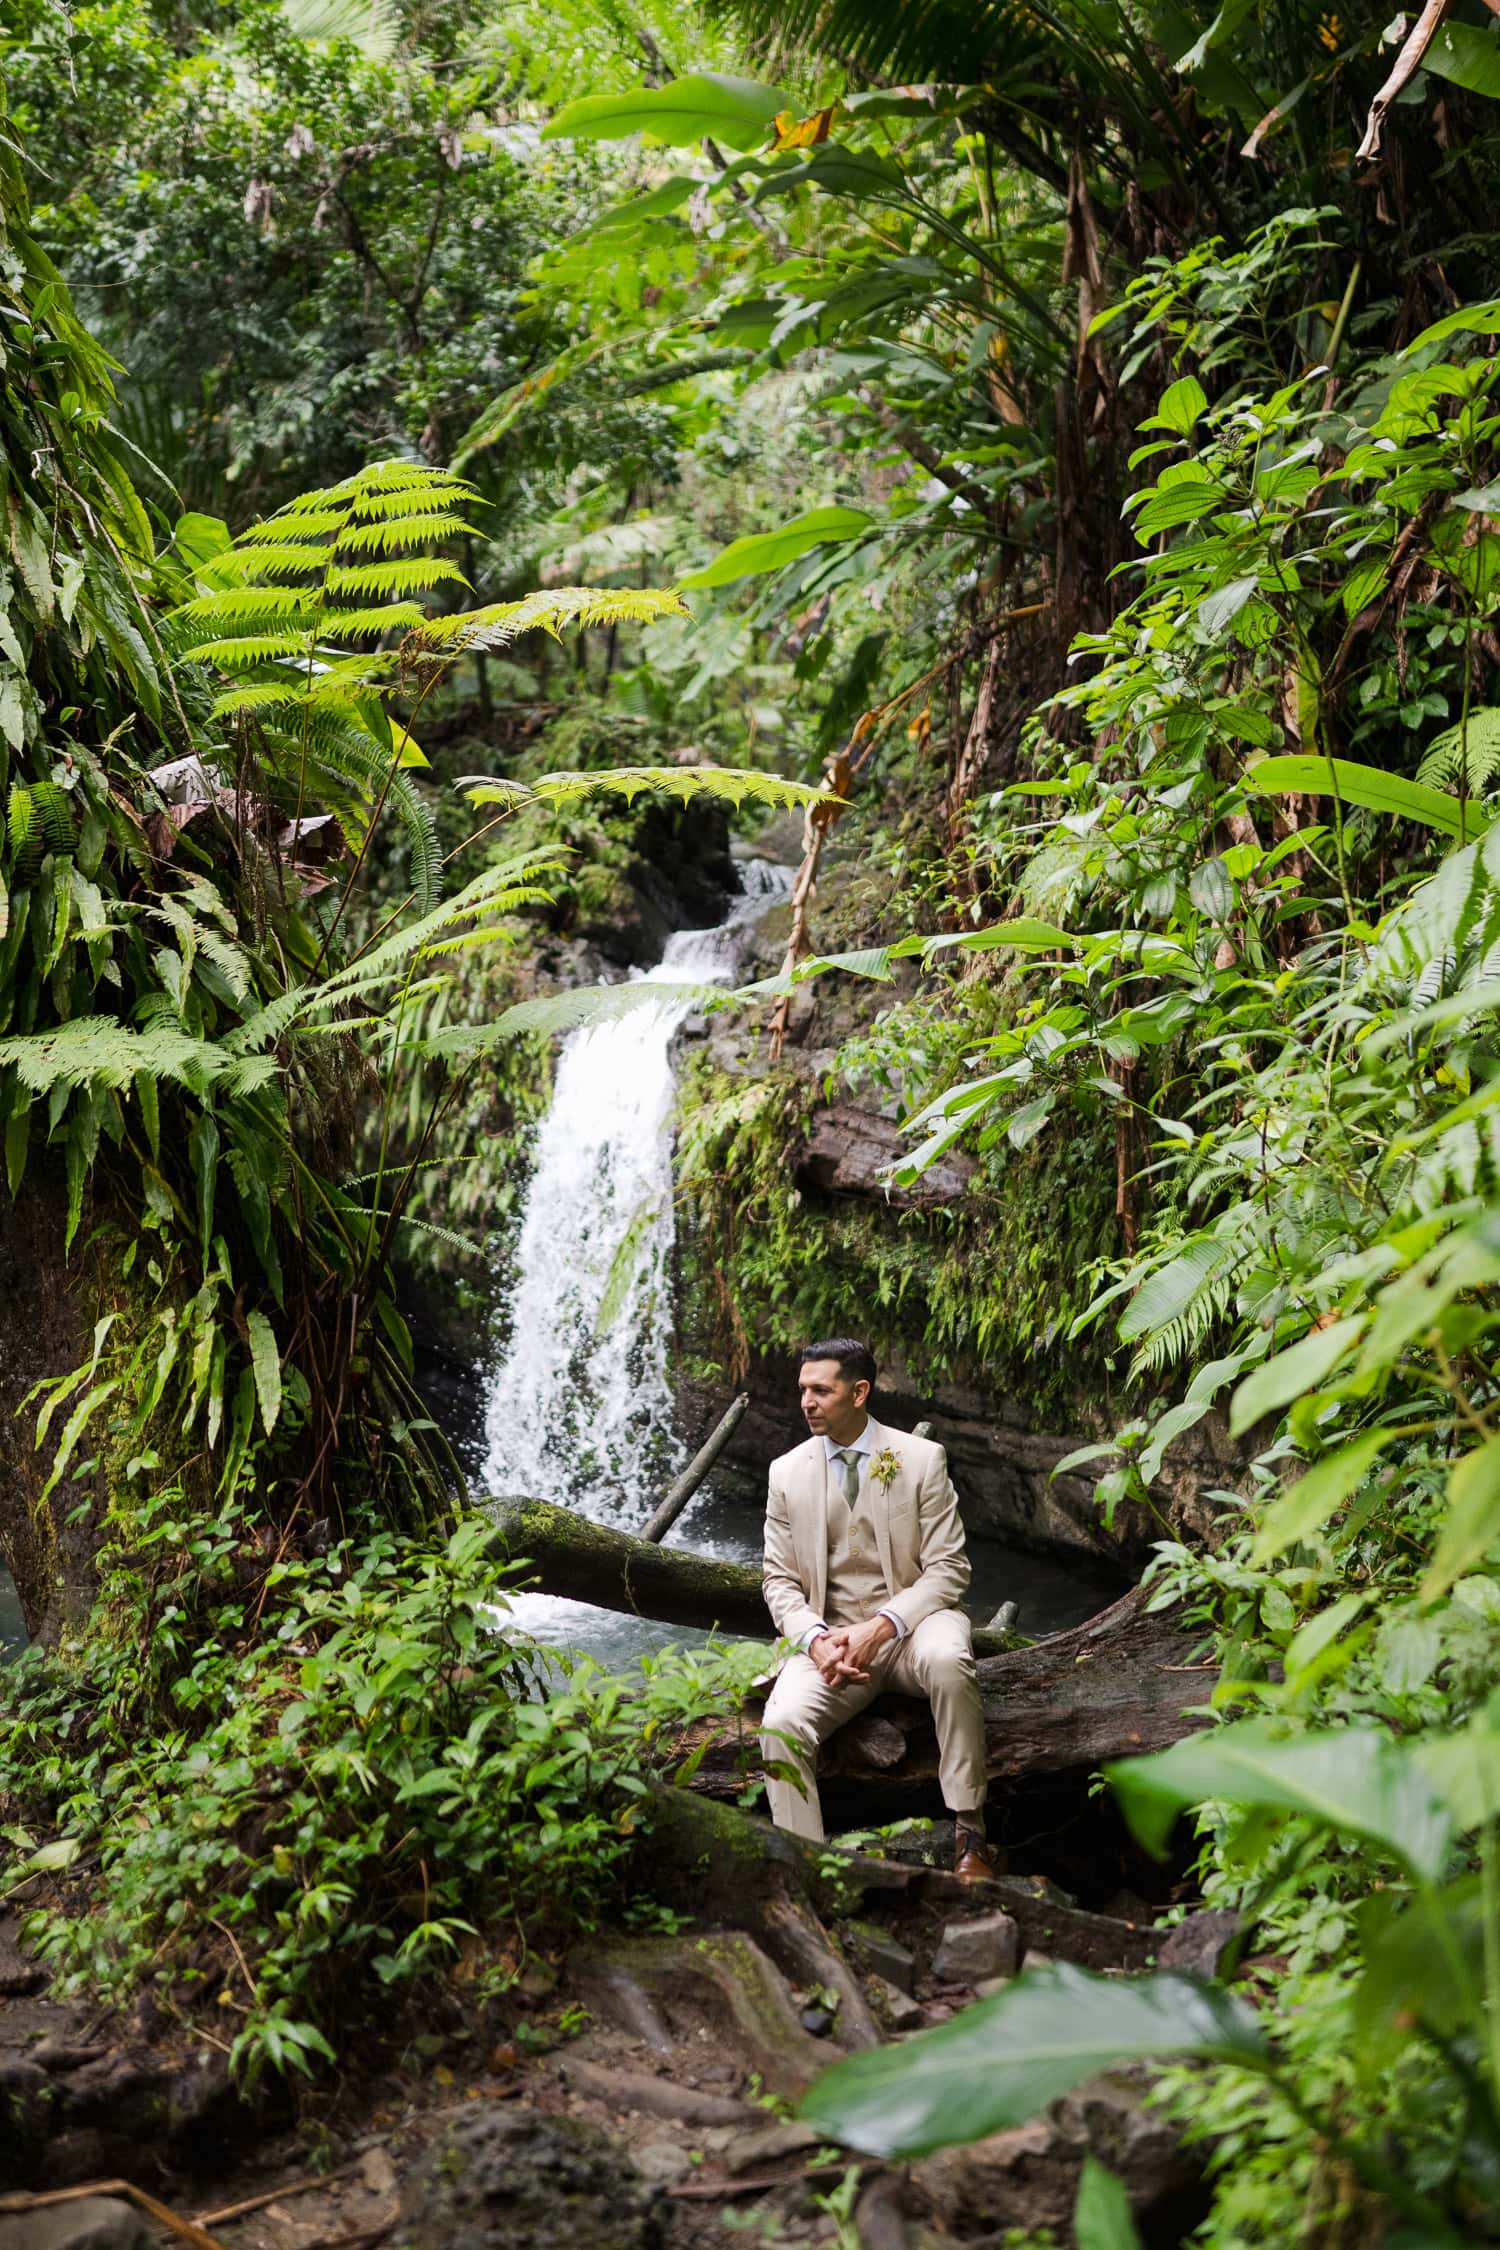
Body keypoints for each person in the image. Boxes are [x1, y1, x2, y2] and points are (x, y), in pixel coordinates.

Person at [759, 1337, 995, 1880]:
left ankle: (971, 1830)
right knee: (781, 1725)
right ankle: (807, 1865)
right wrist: (817, 1640)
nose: (807, 1402)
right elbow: (778, 1581)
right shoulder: (785, 1473)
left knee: (949, 1661)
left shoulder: (920, 1460)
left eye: (822, 1390)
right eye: (803, 1390)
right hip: (831, 1642)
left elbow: (950, 1570)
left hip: (913, 1630)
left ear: (860, 1392)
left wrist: (884, 1625)